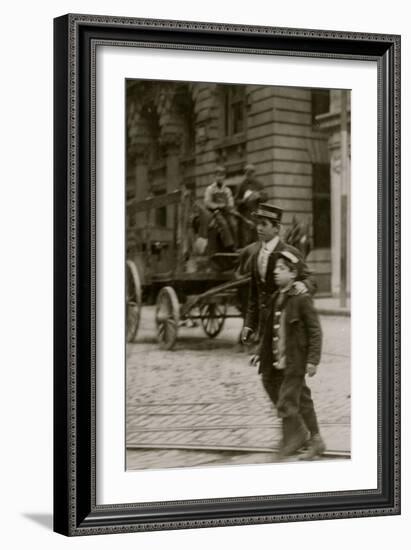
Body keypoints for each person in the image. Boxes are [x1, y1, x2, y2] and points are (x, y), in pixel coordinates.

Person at [250, 249, 326, 459]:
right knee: (300, 399)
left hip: (295, 361)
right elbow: (267, 331)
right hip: (276, 360)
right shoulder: (276, 297)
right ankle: (316, 439)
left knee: (287, 401)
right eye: (275, 268)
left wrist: (312, 360)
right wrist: (259, 352)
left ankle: (292, 439)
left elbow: (314, 330)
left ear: (293, 274)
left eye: (281, 269)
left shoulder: (301, 299)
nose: (276, 272)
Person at [240, 203, 316, 347]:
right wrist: (249, 325)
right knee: (267, 368)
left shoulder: (289, 252)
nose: (259, 228)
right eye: (258, 224)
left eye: (264, 224)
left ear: (276, 228)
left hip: (286, 327)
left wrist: (303, 284)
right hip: (265, 329)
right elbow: (254, 296)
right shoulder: (256, 255)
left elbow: (311, 279)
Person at [204, 165, 238, 251]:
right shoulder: (210, 189)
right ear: (214, 177)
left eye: (222, 175)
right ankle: (229, 245)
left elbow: (231, 202)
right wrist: (218, 206)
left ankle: (236, 245)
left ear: (224, 177)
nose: (220, 178)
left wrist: (230, 207)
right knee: (223, 223)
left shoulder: (227, 190)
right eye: (218, 176)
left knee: (234, 223)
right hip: (214, 212)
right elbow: (207, 202)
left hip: (226, 212)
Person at [235, 163, 268, 246]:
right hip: (245, 216)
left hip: (257, 214)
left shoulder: (259, 184)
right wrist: (243, 200)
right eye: (247, 173)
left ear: (254, 173)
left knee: (258, 237)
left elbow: (266, 197)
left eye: (251, 173)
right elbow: (236, 201)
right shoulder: (241, 185)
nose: (249, 175)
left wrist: (258, 196)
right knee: (246, 239)